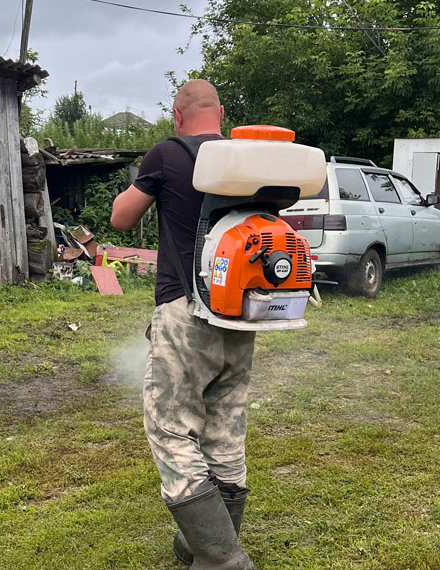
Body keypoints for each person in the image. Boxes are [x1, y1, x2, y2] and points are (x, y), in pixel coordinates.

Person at [110, 79, 257, 570]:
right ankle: (204, 544)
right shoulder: (245, 159)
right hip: (241, 314)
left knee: (172, 429)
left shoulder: (167, 155)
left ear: (177, 114)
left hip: (184, 309)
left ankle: (221, 558)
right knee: (224, 427)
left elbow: (120, 221)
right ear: (221, 113)